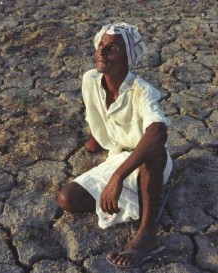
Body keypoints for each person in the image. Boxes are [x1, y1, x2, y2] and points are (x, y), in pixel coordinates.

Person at [57, 22, 172, 268]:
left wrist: (118, 178)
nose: (102, 52)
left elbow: (158, 131)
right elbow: (96, 111)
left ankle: (147, 232)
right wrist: (96, 138)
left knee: (153, 149)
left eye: (112, 48)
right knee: (67, 199)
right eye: (101, 45)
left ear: (127, 57)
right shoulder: (90, 79)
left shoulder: (142, 92)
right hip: (117, 156)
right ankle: (143, 200)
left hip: (147, 164)